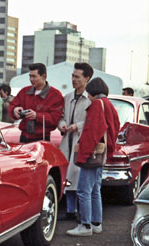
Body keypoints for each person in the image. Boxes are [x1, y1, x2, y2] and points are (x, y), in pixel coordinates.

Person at [67, 77, 120, 237]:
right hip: (102, 153)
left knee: (83, 190)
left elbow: (92, 131)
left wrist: (82, 155)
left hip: (92, 153)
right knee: (95, 189)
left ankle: (85, 225)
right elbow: (115, 127)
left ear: (92, 92)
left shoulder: (97, 105)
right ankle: (96, 223)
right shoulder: (109, 104)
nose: (87, 96)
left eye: (88, 93)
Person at [58, 62, 93, 220]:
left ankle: (81, 211)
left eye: (77, 77)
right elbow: (61, 117)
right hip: (67, 140)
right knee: (68, 175)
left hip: (81, 140)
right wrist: (63, 125)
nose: (73, 79)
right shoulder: (67, 97)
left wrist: (76, 126)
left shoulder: (90, 99)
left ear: (87, 78)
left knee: (78, 175)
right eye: (73, 76)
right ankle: (70, 210)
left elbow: (92, 121)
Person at [8, 63, 64, 143]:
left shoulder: (55, 95)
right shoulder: (24, 92)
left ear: (43, 76)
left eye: (34, 76)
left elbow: (55, 119)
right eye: (30, 76)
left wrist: (37, 116)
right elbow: (12, 105)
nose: (31, 79)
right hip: (24, 136)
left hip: (42, 138)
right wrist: (14, 110)